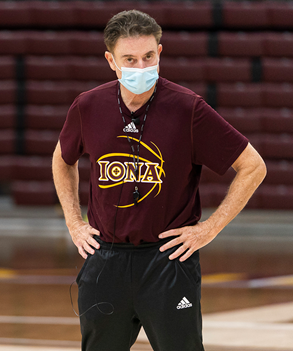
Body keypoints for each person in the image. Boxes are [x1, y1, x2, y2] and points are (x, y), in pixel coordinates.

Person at [51, 9, 266, 351]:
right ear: (111, 60)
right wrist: (74, 222)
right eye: (130, 59)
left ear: (160, 53)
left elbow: (253, 166)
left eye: (149, 56)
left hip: (167, 261)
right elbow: (62, 160)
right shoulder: (87, 106)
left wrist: (209, 229)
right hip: (105, 259)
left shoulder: (188, 108)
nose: (141, 68)